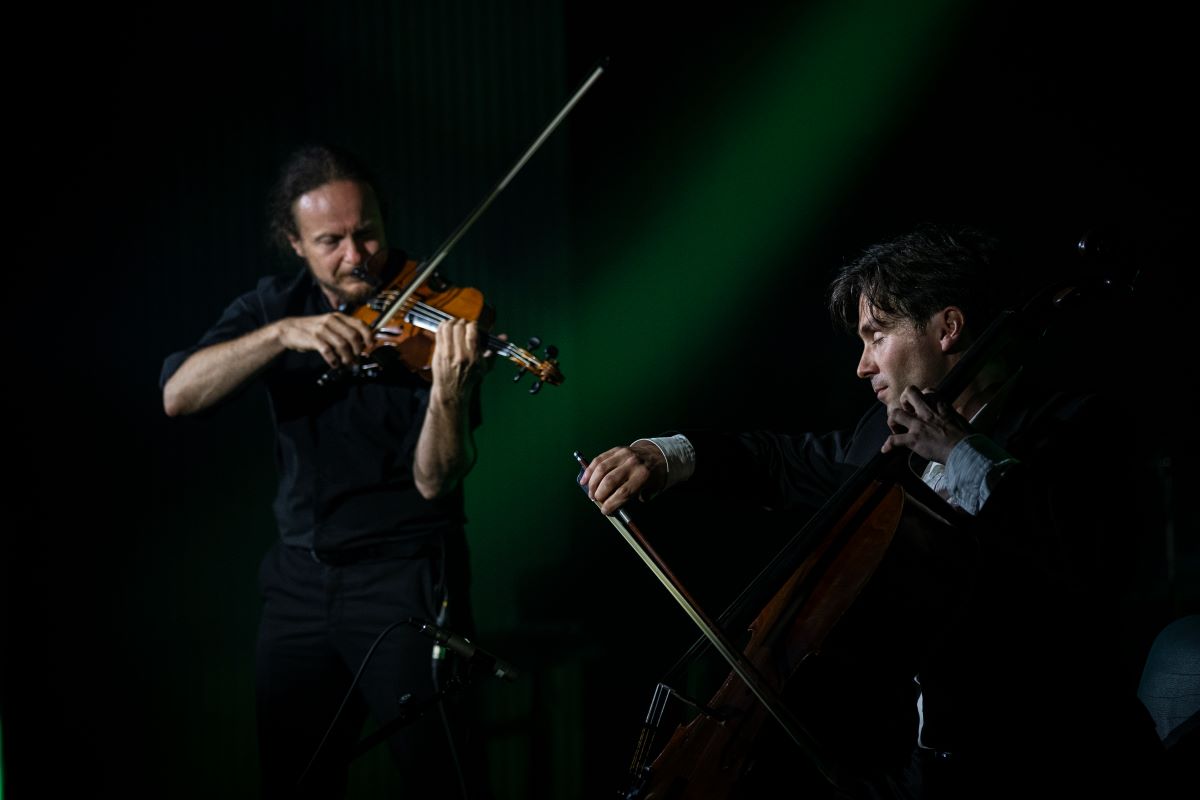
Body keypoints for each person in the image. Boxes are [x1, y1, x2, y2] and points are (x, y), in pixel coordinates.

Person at [580, 224, 1166, 798]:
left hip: (1051, 760)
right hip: (920, 765)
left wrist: (960, 453)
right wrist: (664, 456)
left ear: (948, 328)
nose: (862, 365)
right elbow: (780, 461)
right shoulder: (880, 438)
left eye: (876, 336)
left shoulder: (1081, 429)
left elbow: (1082, 560)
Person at [161, 144, 492, 799]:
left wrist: (449, 391)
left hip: (408, 580)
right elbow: (178, 395)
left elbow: (436, 480)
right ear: (295, 244)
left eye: (367, 233)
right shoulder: (275, 305)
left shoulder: (441, 313)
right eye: (330, 241)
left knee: (443, 781)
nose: (356, 256)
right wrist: (281, 335)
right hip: (300, 586)